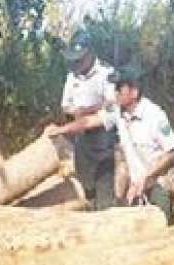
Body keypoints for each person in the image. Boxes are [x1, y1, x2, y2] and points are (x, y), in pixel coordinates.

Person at [46, 30, 119, 210]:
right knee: (84, 189)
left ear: (90, 53)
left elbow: (111, 104)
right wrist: (76, 113)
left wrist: (86, 111)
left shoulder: (107, 73)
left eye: (81, 58)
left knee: (104, 189)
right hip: (79, 135)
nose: (78, 63)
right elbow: (66, 105)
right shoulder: (72, 75)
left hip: (102, 136)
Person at [111, 67, 174, 223]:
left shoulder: (154, 115)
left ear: (134, 92)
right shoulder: (118, 114)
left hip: (158, 185)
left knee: (162, 226)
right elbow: (93, 120)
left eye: (119, 89)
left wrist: (147, 177)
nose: (115, 93)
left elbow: (173, 151)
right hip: (135, 189)